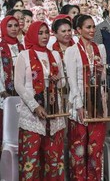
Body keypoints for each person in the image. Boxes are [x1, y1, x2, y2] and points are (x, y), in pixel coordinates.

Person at [14, 21, 66, 180]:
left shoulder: (55, 54)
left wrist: (58, 80)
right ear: (32, 35)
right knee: (31, 158)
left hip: (53, 112)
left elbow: (63, 82)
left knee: (53, 159)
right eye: (40, 33)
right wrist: (35, 106)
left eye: (46, 32)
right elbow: (18, 85)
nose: (44, 36)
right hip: (32, 115)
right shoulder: (24, 55)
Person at [64, 14, 108, 180]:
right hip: (79, 103)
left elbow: (103, 78)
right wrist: (79, 105)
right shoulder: (71, 51)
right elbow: (72, 81)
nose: (91, 30)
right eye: (88, 27)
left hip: (97, 103)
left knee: (96, 150)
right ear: (78, 30)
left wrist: (100, 71)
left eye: (92, 27)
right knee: (79, 150)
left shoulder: (100, 49)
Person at [0, 16, 25, 144]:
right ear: (3, 28)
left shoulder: (22, 47)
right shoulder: (0, 47)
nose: (14, 28)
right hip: (4, 94)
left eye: (16, 25)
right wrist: (2, 91)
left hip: (21, 94)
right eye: (9, 26)